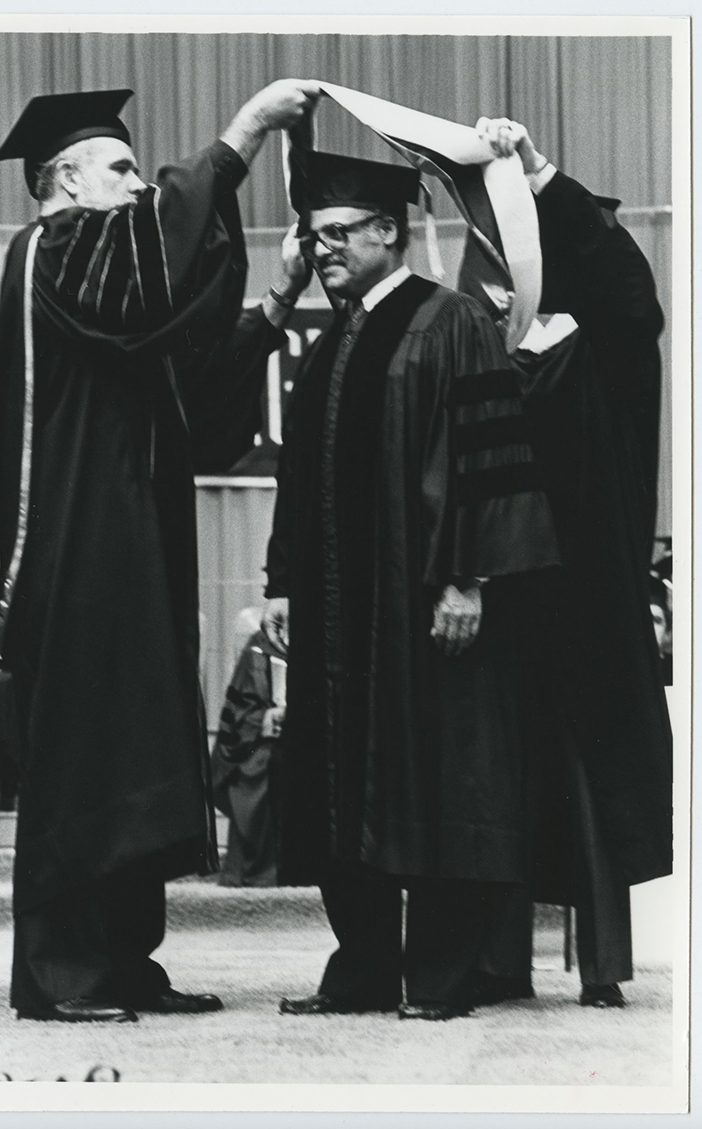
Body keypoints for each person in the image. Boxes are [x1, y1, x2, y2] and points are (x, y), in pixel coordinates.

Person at [0, 81, 318, 1023]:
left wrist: (278, 298)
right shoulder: (50, 250)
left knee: (130, 753)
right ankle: (64, 973)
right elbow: (152, 257)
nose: (135, 186)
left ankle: (124, 960)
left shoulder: (99, 287)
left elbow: (190, 383)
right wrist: (241, 136)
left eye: (136, 170)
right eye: (119, 169)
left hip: (127, 550)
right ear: (62, 181)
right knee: (86, 754)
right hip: (75, 553)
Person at [262, 150, 560, 1021]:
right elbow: (297, 478)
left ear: (390, 232)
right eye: (313, 237)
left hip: (421, 603)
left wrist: (466, 577)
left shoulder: (450, 320)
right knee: (338, 779)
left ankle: (440, 974)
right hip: (334, 613)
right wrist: (283, 584)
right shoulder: (334, 340)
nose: (323, 251)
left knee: (436, 775)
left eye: (340, 233)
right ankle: (360, 971)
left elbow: (483, 459)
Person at [458, 118, 672, 1009]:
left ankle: (602, 967)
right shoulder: (482, 344)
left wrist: (539, 172)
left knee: (587, 777)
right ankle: (501, 958)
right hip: (505, 591)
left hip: (586, 595)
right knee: (501, 769)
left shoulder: (610, 347)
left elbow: (632, 291)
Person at [210, 619, 286, 887]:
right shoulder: (258, 646)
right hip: (263, 745)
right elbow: (237, 715)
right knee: (256, 766)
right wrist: (265, 719)